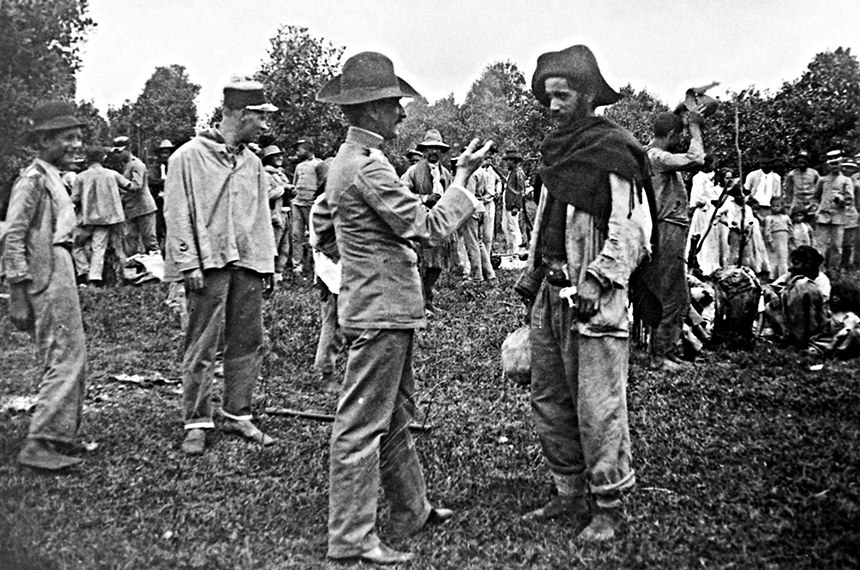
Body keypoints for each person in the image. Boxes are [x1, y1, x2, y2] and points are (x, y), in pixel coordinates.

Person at [314, 51, 493, 565]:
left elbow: (325, 232)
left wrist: (360, 266)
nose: (403, 114)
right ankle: (351, 537)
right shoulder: (369, 168)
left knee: (391, 414)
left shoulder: (344, 163)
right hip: (383, 311)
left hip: (373, 304)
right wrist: (461, 181)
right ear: (371, 110)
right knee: (362, 424)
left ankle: (412, 508)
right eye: (395, 104)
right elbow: (432, 228)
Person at [515, 44, 653, 542]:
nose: (553, 106)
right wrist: (533, 277)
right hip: (551, 292)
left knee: (598, 405)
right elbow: (546, 223)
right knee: (549, 396)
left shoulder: (614, 149)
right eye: (547, 97)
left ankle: (608, 503)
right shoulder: (558, 151)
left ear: (589, 95)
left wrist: (600, 277)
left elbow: (633, 226)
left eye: (563, 95)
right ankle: (567, 492)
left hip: (595, 293)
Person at [163, 80, 278, 456]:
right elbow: (176, 215)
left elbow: (261, 215)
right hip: (208, 264)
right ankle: (196, 421)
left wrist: (268, 263)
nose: (265, 126)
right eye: (261, 117)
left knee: (248, 339)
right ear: (242, 114)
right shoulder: (187, 157)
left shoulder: (253, 162)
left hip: (248, 262)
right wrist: (187, 263)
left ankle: (236, 412)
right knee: (202, 343)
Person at [2, 101, 88, 471]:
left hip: (59, 266)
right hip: (45, 273)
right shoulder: (32, 180)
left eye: (79, 137)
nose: (76, 145)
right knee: (63, 355)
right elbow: (13, 236)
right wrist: (17, 290)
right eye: (68, 138)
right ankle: (38, 442)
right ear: (44, 140)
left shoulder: (53, 176)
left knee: (73, 353)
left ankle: (58, 435)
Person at [646, 109, 705, 370]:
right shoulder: (656, 156)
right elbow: (697, 157)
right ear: (670, 134)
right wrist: (694, 128)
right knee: (672, 294)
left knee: (677, 294)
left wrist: (686, 109)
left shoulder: (659, 155)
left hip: (672, 228)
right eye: (679, 135)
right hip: (666, 228)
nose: (681, 139)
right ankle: (660, 356)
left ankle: (667, 351)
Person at [401, 128, 457, 313]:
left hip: (440, 222)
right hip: (420, 220)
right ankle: (421, 303)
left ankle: (429, 299)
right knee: (421, 264)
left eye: (437, 149)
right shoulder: (413, 171)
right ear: (423, 151)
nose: (433, 152)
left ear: (441, 152)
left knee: (438, 263)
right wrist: (423, 199)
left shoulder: (446, 174)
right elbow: (401, 195)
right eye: (430, 148)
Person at [71, 146, 131, 285]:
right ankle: (95, 278)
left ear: (87, 160)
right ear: (102, 158)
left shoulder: (80, 177)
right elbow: (129, 186)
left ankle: (83, 271)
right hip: (107, 218)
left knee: (76, 245)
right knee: (99, 247)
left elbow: (74, 199)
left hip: (86, 218)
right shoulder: (112, 174)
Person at [111, 136, 159, 256]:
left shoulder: (137, 164)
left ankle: (157, 269)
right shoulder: (126, 165)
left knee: (150, 241)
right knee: (130, 241)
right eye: (116, 152)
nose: (117, 155)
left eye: (119, 152)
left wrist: (120, 182)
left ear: (127, 149)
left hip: (143, 208)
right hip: (132, 208)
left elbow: (137, 186)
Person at [812, 150, 854, 270]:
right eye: (832, 163)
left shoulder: (846, 180)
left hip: (838, 217)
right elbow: (815, 197)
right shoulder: (822, 180)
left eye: (837, 163)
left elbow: (850, 200)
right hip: (823, 217)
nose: (834, 166)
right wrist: (817, 208)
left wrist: (841, 200)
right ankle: (819, 270)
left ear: (841, 163)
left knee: (836, 246)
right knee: (820, 245)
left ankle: (833, 270)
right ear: (828, 165)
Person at [290, 138, 323, 275]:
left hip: (311, 204)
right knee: (296, 235)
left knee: (315, 236)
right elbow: (295, 184)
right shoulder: (299, 166)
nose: (297, 153)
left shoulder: (319, 164)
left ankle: (317, 269)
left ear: (308, 150)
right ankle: (297, 267)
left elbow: (322, 184)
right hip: (298, 203)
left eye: (299, 150)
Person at [261, 144, 293, 282]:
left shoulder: (280, 174)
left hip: (285, 213)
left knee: (284, 246)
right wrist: (282, 189)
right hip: (273, 215)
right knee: (272, 247)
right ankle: (267, 277)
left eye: (281, 155)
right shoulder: (265, 175)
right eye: (276, 156)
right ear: (269, 158)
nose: (280, 158)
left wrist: (291, 191)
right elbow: (265, 196)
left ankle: (278, 275)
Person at [147, 138, 175, 247]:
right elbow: (152, 181)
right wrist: (167, 181)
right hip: (159, 201)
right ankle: (159, 247)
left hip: (173, 200)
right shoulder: (155, 167)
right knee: (158, 226)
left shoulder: (175, 166)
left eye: (167, 153)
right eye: (162, 153)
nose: (164, 156)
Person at [784, 151, 820, 224]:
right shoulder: (792, 174)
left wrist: (818, 204)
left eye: (804, 159)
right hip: (798, 205)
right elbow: (788, 191)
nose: (802, 162)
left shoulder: (814, 173)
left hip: (812, 205)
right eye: (800, 160)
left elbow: (820, 189)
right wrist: (788, 206)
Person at [501, 149, 525, 254]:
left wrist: (516, 205)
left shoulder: (518, 173)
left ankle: (517, 252)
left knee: (514, 228)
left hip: (512, 206)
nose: (506, 163)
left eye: (508, 160)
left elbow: (519, 191)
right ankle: (511, 251)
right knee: (505, 227)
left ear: (513, 161)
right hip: (508, 204)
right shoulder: (511, 173)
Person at [744, 157, 781, 223]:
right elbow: (745, 191)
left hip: (769, 209)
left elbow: (778, 196)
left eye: (767, 164)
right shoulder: (752, 175)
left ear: (772, 164)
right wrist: (749, 202)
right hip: (755, 208)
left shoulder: (776, 177)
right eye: (763, 164)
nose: (765, 166)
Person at [763, 202, 792, 281]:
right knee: (774, 256)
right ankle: (773, 276)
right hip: (775, 237)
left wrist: (790, 237)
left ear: (782, 206)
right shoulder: (769, 218)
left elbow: (790, 227)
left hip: (784, 237)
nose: (775, 208)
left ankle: (784, 275)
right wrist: (769, 240)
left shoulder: (785, 217)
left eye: (778, 206)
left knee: (783, 256)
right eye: (773, 206)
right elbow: (767, 230)